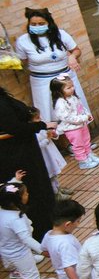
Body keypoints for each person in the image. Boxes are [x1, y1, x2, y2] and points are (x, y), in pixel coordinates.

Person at [0, 87, 57, 242]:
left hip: (23, 151)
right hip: (17, 155)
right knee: (32, 191)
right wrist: (41, 126)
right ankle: (41, 232)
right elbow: (15, 128)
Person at [14, 8, 88, 124]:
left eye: (41, 24)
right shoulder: (23, 41)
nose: (37, 26)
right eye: (33, 24)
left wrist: (72, 57)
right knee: (50, 111)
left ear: (49, 23)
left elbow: (76, 50)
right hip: (42, 82)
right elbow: (22, 61)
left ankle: (82, 139)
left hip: (65, 78)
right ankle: (60, 139)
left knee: (74, 107)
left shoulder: (61, 34)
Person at [0, 180, 63, 279]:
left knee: (28, 273)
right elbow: (26, 239)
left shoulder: (3, 211)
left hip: (7, 249)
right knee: (31, 275)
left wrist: (15, 180)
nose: (27, 195)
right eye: (25, 193)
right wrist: (43, 249)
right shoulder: (16, 219)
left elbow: (5, 190)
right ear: (17, 200)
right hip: (19, 252)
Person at [43, 199, 95, 279]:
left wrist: (56, 257)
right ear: (67, 224)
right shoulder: (65, 242)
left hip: (65, 275)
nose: (78, 224)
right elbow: (68, 265)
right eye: (77, 221)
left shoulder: (49, 234)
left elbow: (44, 251)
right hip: (77, 275)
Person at [50, 75, 99, 171]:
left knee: (86, 141)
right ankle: (83, 161)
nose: (72, 89)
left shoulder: (73, 97)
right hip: (72, 128)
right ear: (59, 90)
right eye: (68, 88)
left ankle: (89, 155)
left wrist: (87, 114)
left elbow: (81, 107)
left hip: (82, 124)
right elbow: (67, 117)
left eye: (72, 86)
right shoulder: (60, 103)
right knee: (78, 144)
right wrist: (83, 118)